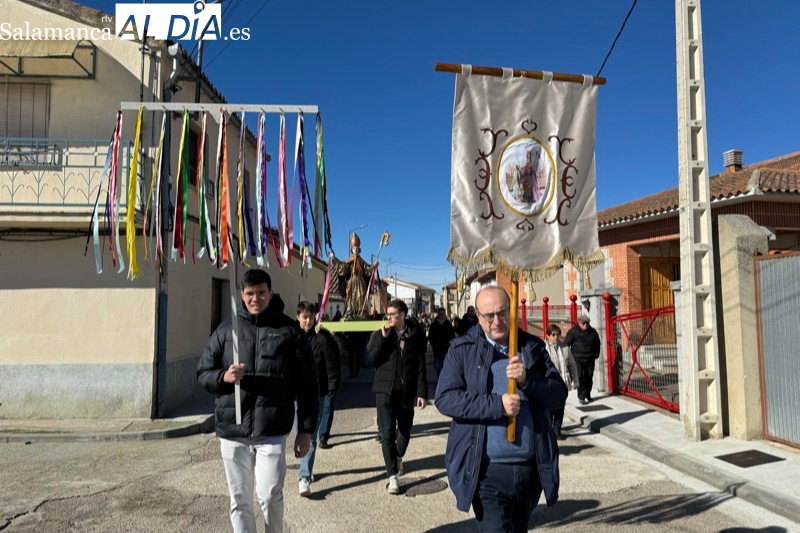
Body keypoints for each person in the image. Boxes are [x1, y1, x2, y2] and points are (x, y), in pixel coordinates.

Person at [435, 286, 567, 532]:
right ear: (478, 316)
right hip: (486, 471)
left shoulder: (533, 348)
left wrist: (528, 379)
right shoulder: (462, 350)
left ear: (512, 310)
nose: (497, 321)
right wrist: (497, 405)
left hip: (530, 468)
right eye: (489, 315)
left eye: (502, 313)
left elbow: (558, 396)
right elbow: (445, 398)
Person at [197, 269, 319, 533]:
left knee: (269, 497)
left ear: (270, 293)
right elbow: (202, 374)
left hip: (271, 430)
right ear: (242, 294)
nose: (256, 298)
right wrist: (223, 376)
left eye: (261, 293)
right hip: (233, 429)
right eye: (250, 293)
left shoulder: (289, 331)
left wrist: (306, 429)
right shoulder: (225, 330)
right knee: (239, 501)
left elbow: (308, 384)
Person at [367, 299, 428, 495]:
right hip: (384, 391)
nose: (389, 318)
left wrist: (422, 392)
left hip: (405, 392)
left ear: (402, 315)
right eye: (388, 315)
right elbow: (371, 360)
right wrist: (384, 339)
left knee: (405, 429)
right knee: (387, 434)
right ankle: (392, 476)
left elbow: (420, 365)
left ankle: (398, 456)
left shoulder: (416, 335)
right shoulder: (381, 333)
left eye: (393, 314)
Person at [296, 301, 341, 497]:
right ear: (298, 317)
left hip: (317, 394)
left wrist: (331, 388)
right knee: (292, 433)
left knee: (310, 436)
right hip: (293, 394)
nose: (307, 321)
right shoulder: (291, 338)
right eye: (304, 317)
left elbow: (332, 365)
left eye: (310, 317)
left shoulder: (322, 339)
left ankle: (304, 477)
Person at [328, 233, 378, 319]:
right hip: (351, 282)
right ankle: (350, 312)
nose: (356, 250)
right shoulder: (349, 261)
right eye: (354, 249)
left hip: (361, 282)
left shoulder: (361, 261)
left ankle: (362, 313)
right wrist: (334, 259)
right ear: (352, 249)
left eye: (357, 249)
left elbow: (367, 270)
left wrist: (373, 267)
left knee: (361, 296)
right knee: (351, 297)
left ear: (359, 249)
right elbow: (342, 268)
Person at [544, 324, 577, 440]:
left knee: (560, 408)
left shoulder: (565, 348)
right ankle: (548, 430)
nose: (556, 337)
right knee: (548, 409)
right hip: (548, 385)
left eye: (558, 335)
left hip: (562, 384)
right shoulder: (543, 349)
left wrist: (575, 380)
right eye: (553, 335)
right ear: (548, 336)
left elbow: (572, 365)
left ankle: (557, 431)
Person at [563, 314, 601, 405]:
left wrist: (596, 354)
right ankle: (581, 397)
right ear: (578, 323)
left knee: (589, 377)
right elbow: (566, 344)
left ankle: (588, 394)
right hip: (577, 359)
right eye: (583, 323)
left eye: (587, 323)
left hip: (590, 358)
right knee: (580, 377)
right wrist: (568, 358)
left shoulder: (593, 332)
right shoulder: (573, 332)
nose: (585, 325)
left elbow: (597, 343)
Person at [427, 307, 456, 379]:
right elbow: (430, 337)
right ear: (438, 315)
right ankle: (440, 381)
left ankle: (446, 381)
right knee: (438, 367)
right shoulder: (434, 325)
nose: (442, 315)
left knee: (446, 367)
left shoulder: (448, 325)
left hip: (447, 350)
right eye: (440, 314)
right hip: (437, 350)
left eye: (443, 314)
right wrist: (434, 345)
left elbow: (452, 336)